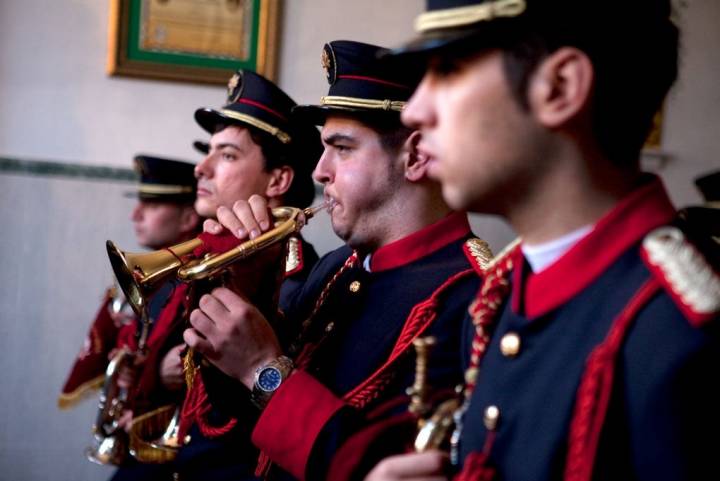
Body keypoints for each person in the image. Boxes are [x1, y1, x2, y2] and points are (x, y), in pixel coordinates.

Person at [364, 1, 720, 480]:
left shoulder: (681, 337)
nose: (414, 110)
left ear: (560, 87)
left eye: (447, 70)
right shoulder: (502, 293)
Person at [184, 40, 492, 481]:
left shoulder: (474, 297)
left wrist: (263, 370)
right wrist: (247, 291)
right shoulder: (335, 267)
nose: (319, 171)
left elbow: (394, 466)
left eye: (342, 148)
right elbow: (241, 426)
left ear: (417, 155)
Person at [140, 69, 325, 481]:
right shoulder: (202, 261)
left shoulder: (300, 282)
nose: (200, 168)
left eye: (226, 155)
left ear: (278, 179)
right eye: (210, 152)